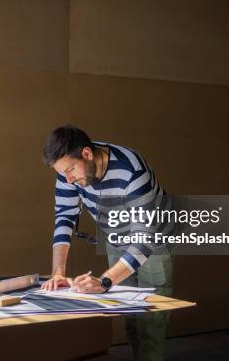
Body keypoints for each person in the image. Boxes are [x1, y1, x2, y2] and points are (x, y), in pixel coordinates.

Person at [40, 124, 175, 361]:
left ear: (87, 154)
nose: (68, 179)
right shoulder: (67, 174)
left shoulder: (132, 170)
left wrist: (104, 281)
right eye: (62, 173)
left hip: (154, 238)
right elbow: (65, 217)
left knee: (150, 318)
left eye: (71, 170)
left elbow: (145, 238)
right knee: (128, 310)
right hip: (115, 235)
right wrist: (58, 272)